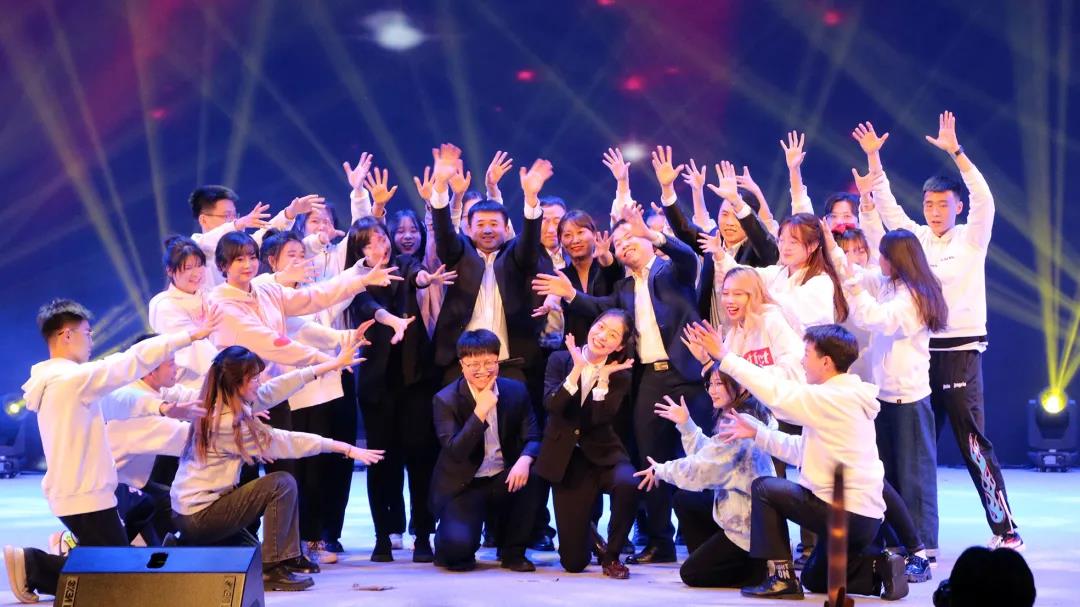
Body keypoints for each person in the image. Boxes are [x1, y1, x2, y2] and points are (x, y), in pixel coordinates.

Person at [533, 149, 712, 564]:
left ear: (645, 240)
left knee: (699, 454)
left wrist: (655, 232)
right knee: (650, 460)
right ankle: (660, 541)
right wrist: (570, 295)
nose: (624, 246)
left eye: (631, 239)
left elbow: (689, 255)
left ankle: (705, 539)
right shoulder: (623, 289)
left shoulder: (673, 271)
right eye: (618, 244)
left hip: (688, 374)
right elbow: (599, 309)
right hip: (649, 379)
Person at [854, 113, 1023, 552]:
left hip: (960, 355)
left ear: (957, 206)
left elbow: (985, 198)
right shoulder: (918, 241)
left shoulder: (971, 238)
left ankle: (1006, 529)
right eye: (929, 205)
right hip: (920, 355)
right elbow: (889, 209)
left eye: (943, 205)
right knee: (913, 449)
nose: (934, 212)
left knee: (972, 444)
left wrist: (957, 152)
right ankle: (908, 536)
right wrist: (874, 159)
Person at [3, 299, 216, 604]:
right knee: (117, 577)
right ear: (66, 335)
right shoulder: (71, 379)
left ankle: (41, 562)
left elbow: (117, 400)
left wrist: (162, 407)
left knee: (114, 564)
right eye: (87, 333)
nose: (91, 340)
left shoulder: (63, 381)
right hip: (84, 494)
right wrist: (190, 336)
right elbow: (130, 361)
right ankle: (32, 565)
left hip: (83, 492)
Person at [687, 322, 908, 600]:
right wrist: (758, 433)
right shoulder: (845, 396)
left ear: (826, 362)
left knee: (765, 487)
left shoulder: (830, 397)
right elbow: (801, 450)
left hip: (845, 512)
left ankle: (781, 578)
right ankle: (879, 569)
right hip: (865, 520)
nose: (802, 362)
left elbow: (777, 394)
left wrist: (725, 357)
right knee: (815, 577)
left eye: (807, 355)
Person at [170, 344, 383, 592]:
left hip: (192, 512)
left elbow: (277, 388)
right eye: (254, 379)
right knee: (281, 483)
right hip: (200, 514)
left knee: (250, 554)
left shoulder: (222, 401)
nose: (259, 383)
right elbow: (286, 441)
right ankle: (272, 569)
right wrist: (343, 447)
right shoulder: (226, 421)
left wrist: (331, 365)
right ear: (237, 383)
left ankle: (185, 546)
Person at [834, 226, 948, 579]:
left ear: (897, 260)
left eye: (883, 255)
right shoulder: (889, 283)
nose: (878, 261)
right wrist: (833, 250)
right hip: (884, 394)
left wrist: (856, 289)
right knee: (889, 476)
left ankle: (925, 550)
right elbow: (858, 274)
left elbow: (878, 319)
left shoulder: (914, 296)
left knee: (915, 479)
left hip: (908, 396)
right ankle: (899, 545)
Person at [344, 216, 454, 563]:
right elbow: (367, 307)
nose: (381, 245)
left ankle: (423, 534)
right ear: (359, 250)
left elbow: (417, 274)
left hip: (416, 380)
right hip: (377, 385)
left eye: (382, 238)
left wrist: (426, 279)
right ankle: (384, 535)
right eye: (370, 242)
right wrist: (390, 320)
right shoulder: (354, 280)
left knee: (421, 459)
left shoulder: (404, 263)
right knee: (381, 462)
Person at [635, 367, 775, 588]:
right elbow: (711, 455)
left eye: (719, 384)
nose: (712, 390)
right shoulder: (745, 415)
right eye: (710, 384)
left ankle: (754, 572)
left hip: (746, 527)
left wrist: (661, 470)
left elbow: (703, 468)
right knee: (686, 499)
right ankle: (713, 558)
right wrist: (686, 424)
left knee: (691, 574)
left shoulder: (739, 424)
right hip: (738, 513)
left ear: (741, 386)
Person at [427, 143, 550, 383]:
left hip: (510, 362)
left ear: (506, 228)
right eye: (480, 224)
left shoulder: (515, 253)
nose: (487, 230)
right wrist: (440, 186)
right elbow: (443, 233)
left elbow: (529, 243)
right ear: (469, 228)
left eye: (494, 224)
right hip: (461, 362)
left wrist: (531, 199)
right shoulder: (460, 250)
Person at [535, 311, 637, 579]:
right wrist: (578, 368)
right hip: (568, 460)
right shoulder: (560, 359)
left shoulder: (619, 375)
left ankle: (612, 555)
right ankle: (590, 536)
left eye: (613, 335)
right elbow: (552, 405)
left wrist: (603, 380)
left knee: (628, 482)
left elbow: (598, 420)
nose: (602, 336)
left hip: (604, 454)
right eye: (600, 327)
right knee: (574, 562)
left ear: (619, 346)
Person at [430, 330, 542, 572]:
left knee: (533, 474)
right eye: (474, 364)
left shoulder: (515, 391)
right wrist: (479, 412)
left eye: (489, 362)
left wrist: (524, 460)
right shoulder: (445, 400)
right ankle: (447, 539)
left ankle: (513, 552)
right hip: (465, 484)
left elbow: (533, 437)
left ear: (498, 361)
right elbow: (456, 451)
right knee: (457, 555)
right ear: (462, 365)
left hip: (503, 477)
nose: (483, 370)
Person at [664, 159, 779, 326]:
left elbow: (766, 245)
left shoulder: (758, 249)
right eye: (724, 214)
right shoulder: (714, 240)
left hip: (748, 331)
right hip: (711, 332)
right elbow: (684, 229)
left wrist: (737, 202)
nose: (729, 223)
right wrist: (667, 189)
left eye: (736, 216)